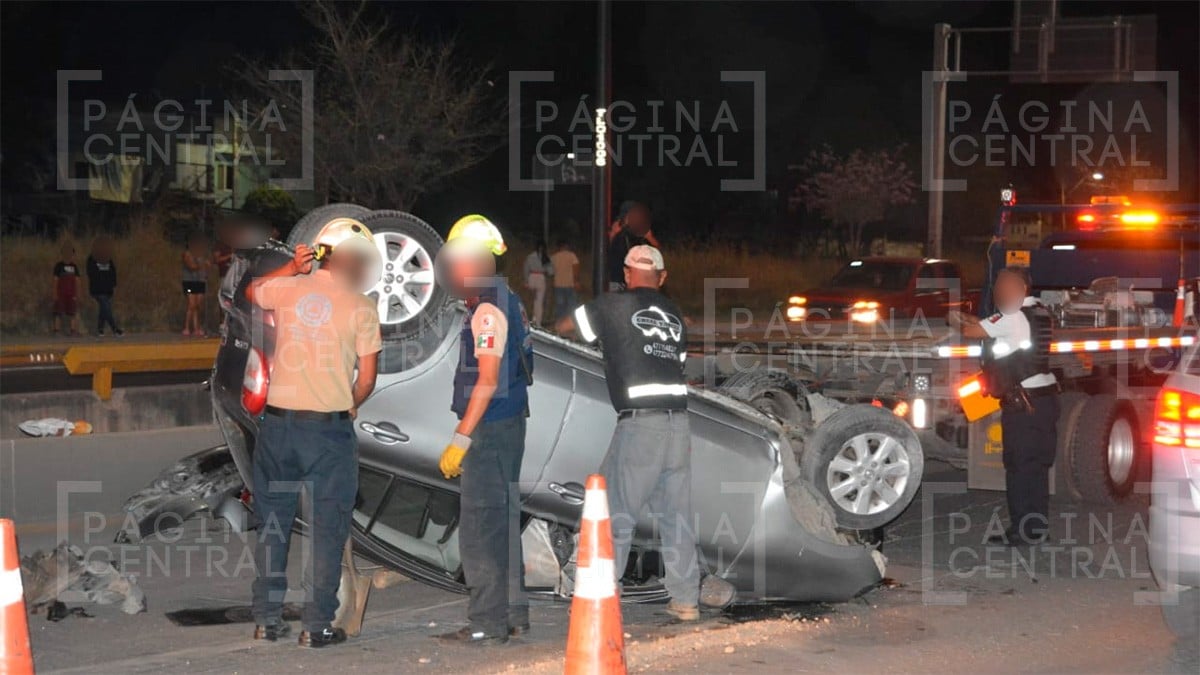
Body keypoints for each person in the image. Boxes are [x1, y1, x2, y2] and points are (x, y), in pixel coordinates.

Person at [557, 244, 731, 621]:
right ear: (662, 277)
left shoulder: (612, 304)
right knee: (676, 516)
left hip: (641, 425)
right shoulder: (675, 316)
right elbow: (674, 364)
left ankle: (604, 595)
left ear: (626, 273)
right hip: (678, 423)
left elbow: (565, 329)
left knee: (615, 511)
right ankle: (686, 600)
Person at [246, 217, 382, 649]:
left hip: (278, 429)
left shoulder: (287, 290)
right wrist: (350, 399)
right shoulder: (361, 307)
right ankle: (316, 625)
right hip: (327, 434)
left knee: (273, 524)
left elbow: (252, 292)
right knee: (327, 528)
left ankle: (267, 619)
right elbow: (368, 376)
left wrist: (292, 268)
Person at [435, 214, 533, 646]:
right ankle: (513, 614)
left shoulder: (488, 308)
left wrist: (461, 438)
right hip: (508, 424)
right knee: (505, 522)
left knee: (480, 528)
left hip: (490, 430)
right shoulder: (501, 297)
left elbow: (487, 378)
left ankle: (486, 622)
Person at [949, 267, 1058, 546]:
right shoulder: (1040, 313)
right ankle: (1036, 529)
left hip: (1023, 406)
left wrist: (952, 317)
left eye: (1004, 285)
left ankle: (1022, 532)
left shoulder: (1012, 316)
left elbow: (972, 331)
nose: (999, 291)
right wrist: (976, 320)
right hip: (1044, 401)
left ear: (1021, 288)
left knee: (1019, 469)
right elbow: (991, 325)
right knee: (1036, 470)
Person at [606, 201, 656, 291]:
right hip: (618, 280)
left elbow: (656, 255)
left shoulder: (640, 231)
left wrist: (650, 238)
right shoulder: (618, 230)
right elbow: (608, 254)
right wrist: (613, 235)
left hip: (635, 280)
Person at [86, 236, 123, 337]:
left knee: (104, 309)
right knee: (106, 307)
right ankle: (114, 329)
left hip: (108, 290)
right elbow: (90, 273)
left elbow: (113, 273)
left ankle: (100, 330)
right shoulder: (92, 259)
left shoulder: (108, 259)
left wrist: (114, 286)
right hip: (97, 290)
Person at [181, 232, 211, 336]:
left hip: (200, 281)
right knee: (191, 304)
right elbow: (192, 266)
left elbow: (207, 265)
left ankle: (197, 327)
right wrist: (201, 265)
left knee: (198, 305)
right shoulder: (187, 254)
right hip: (189, 282)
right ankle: (186, 327)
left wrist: (206, 266)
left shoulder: (202, 255)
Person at [51, 243, 82, 336]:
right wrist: (54, 293)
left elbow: (78, 281)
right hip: (61, 293)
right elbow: (55, 280)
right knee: (58, 312)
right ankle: (57, 331)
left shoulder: (74, 267)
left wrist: (78, 294)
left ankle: (73, 331)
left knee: (72, 312)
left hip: (71, 293)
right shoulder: (58, 266)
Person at [549, 239, 580, 320]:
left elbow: (550, 272)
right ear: (566, 246)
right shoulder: (572, 255)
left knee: (560, 307)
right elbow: (576, 268)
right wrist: (576, 281)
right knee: (572, 306)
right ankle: (570, 324)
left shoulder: (554, 257)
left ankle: (560, 325)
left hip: (558, 285)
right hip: (570, 284)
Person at [522, 241, 551, 326]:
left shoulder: (530, 256)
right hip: (541, 278)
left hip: (532, 277)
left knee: (533, 300)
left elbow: (525, 269)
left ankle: (532, 319)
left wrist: (526, 281)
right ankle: (537, 322)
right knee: (539, 301)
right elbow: (550, 271)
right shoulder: (545, 257)